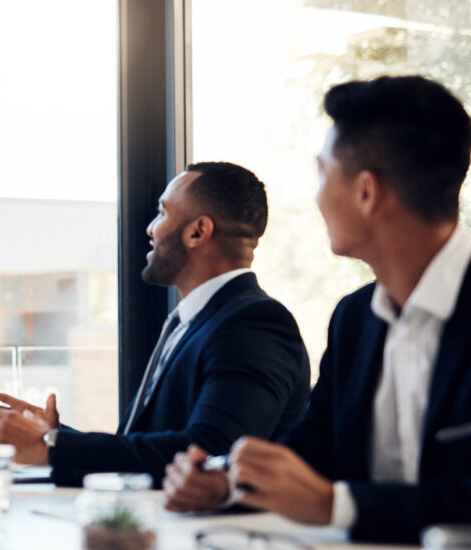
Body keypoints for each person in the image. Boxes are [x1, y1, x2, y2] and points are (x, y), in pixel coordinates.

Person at [161, 75, 471, 543]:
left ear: (367, 192)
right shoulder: (354, 318)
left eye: (323, 174)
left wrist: (335, 506)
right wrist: (226, 483)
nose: (317, 197)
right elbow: (314, 449)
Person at [0, 162, 310, 486]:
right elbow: (149, 443)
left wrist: (52, 447)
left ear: (198, 232)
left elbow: (208, 452)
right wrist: (53, 434)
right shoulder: (195, 321)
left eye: (162, 212)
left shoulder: (255, 324)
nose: (150, 228)